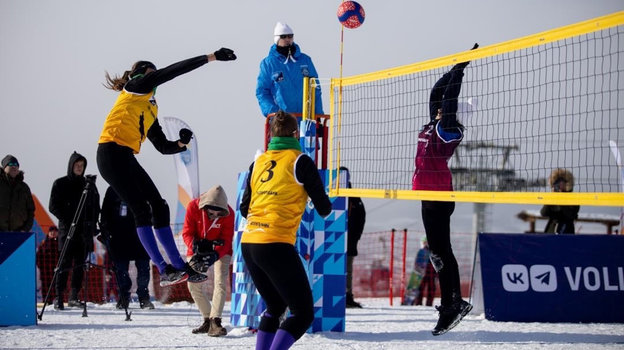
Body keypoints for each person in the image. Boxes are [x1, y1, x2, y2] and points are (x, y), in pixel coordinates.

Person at [96, 48, 237, 287]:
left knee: (159, 206)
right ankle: (163, 268)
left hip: (125, 155)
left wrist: (181, 143)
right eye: (152, 75)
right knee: (141, 210)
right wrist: (210, 57)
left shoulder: (149, 105)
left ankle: (179, 266)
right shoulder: (136, 87)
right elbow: (174, 71)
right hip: (110, 153)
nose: (156, 80)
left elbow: (161, 146)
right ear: (141, 74)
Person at [239, 111, 332, 350]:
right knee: (302, 314)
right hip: (275, 242)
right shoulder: (300, 160)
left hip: (249, 243)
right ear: (295, 134)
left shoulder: (258, 161)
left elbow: (243, 208)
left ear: (271, 134)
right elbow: (323, 208)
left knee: (275, 306)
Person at [411, 43, 478, 336]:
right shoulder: (432, 122)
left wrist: (461, 69)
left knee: (441, 251)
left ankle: (452, 302)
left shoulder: (449, 130)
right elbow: (437, 93)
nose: (438, 108)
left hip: (439, 197)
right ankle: (451, 302)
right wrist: (454, 66)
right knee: (437, 253)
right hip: (428, 196)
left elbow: (449, 98)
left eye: (443, 110)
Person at [49, 151, 100, 310]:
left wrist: (92, 226)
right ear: (71, 166)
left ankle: (73, 296)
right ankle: (58, 297)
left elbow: (95, 206)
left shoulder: (88, 185)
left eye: (82, 165)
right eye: (77, 165)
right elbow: (53, 206)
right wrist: (68, 219)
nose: (79, 168)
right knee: (63, 264)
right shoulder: (60, 183)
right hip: (67, 230)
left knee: (79, 265)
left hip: (84, 232)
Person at [182, 185, 234, 337]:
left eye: (219, 213)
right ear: (205, 206)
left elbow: (226, 240)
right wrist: (194, 245)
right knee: (193, 284)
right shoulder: (193, 206)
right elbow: (186, 232)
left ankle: (215, 321)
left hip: (221, 251)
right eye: (212, 212)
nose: (215, 215)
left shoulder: (229, 214)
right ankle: (207, 319)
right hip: (197, 249)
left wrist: (215, 256)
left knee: (220, 282)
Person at [100, 186, 154, 310]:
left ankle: (144, 297)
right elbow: (105, 210)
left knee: (143, 268)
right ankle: (123, 297)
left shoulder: (140, 185)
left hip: (140, 232)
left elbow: (151, 206)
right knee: (120, 270)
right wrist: (104, 228)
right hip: (118, 235)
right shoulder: (112, 188)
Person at [256, 22, 324, 118]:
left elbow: (315, 89)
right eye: (283, 36)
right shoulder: (268, 64)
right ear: (277, 39)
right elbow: (262, 92)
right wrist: (275, 113)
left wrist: (318, 115)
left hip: (306, 121)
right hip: (282, 122)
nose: (287, 39)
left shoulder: (305, 60)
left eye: (290, 36)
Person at [339, 166, 366, 309]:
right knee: (341, 269)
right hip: (336, 239)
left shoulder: (353, 196)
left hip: (348, 240)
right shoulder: (334, 192)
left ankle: (347, 296)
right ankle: (343, 296)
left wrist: (356, 237)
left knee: (347, 269)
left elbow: (361, 216)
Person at [0, 155, 35, 232]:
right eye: (11, 164)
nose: (14, 167)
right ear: (4, 167)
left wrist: (25, 229)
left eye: (16, 165)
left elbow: (31, 210)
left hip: (18, 234)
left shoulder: (24, 188)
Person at [540, 168, 580, 234]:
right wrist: (551, 198)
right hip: (551, 232)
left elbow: (570, 215)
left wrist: (561, 200)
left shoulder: (573, 199)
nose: (560, 186)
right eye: (557, 183)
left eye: (562, 183)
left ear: (567, 184)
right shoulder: (553, 197)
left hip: (566, 232)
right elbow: (543, 213)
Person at [36, 225, 60, 305]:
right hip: (46, 271)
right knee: (46, 287)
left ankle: (58, 301)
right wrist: (41, 267)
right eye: (51, 231)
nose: (53, 233)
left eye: (55, 231)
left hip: (58, 270)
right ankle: (47, 301)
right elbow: (38, 257)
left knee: (58, 286)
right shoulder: (43, 244)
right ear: (48, 233)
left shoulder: (61, 244)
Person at [414, 236, 437, 306]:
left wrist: (437, 274)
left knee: (431, 289)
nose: (425, 244)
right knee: (420, 288)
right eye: (424, 243)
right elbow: (417, 262)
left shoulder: (433, 252)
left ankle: (429, 303)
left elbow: (437, 263)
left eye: (426, 242)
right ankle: (418, 303)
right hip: (422, 273)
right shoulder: (421, 251)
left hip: (431, 274)